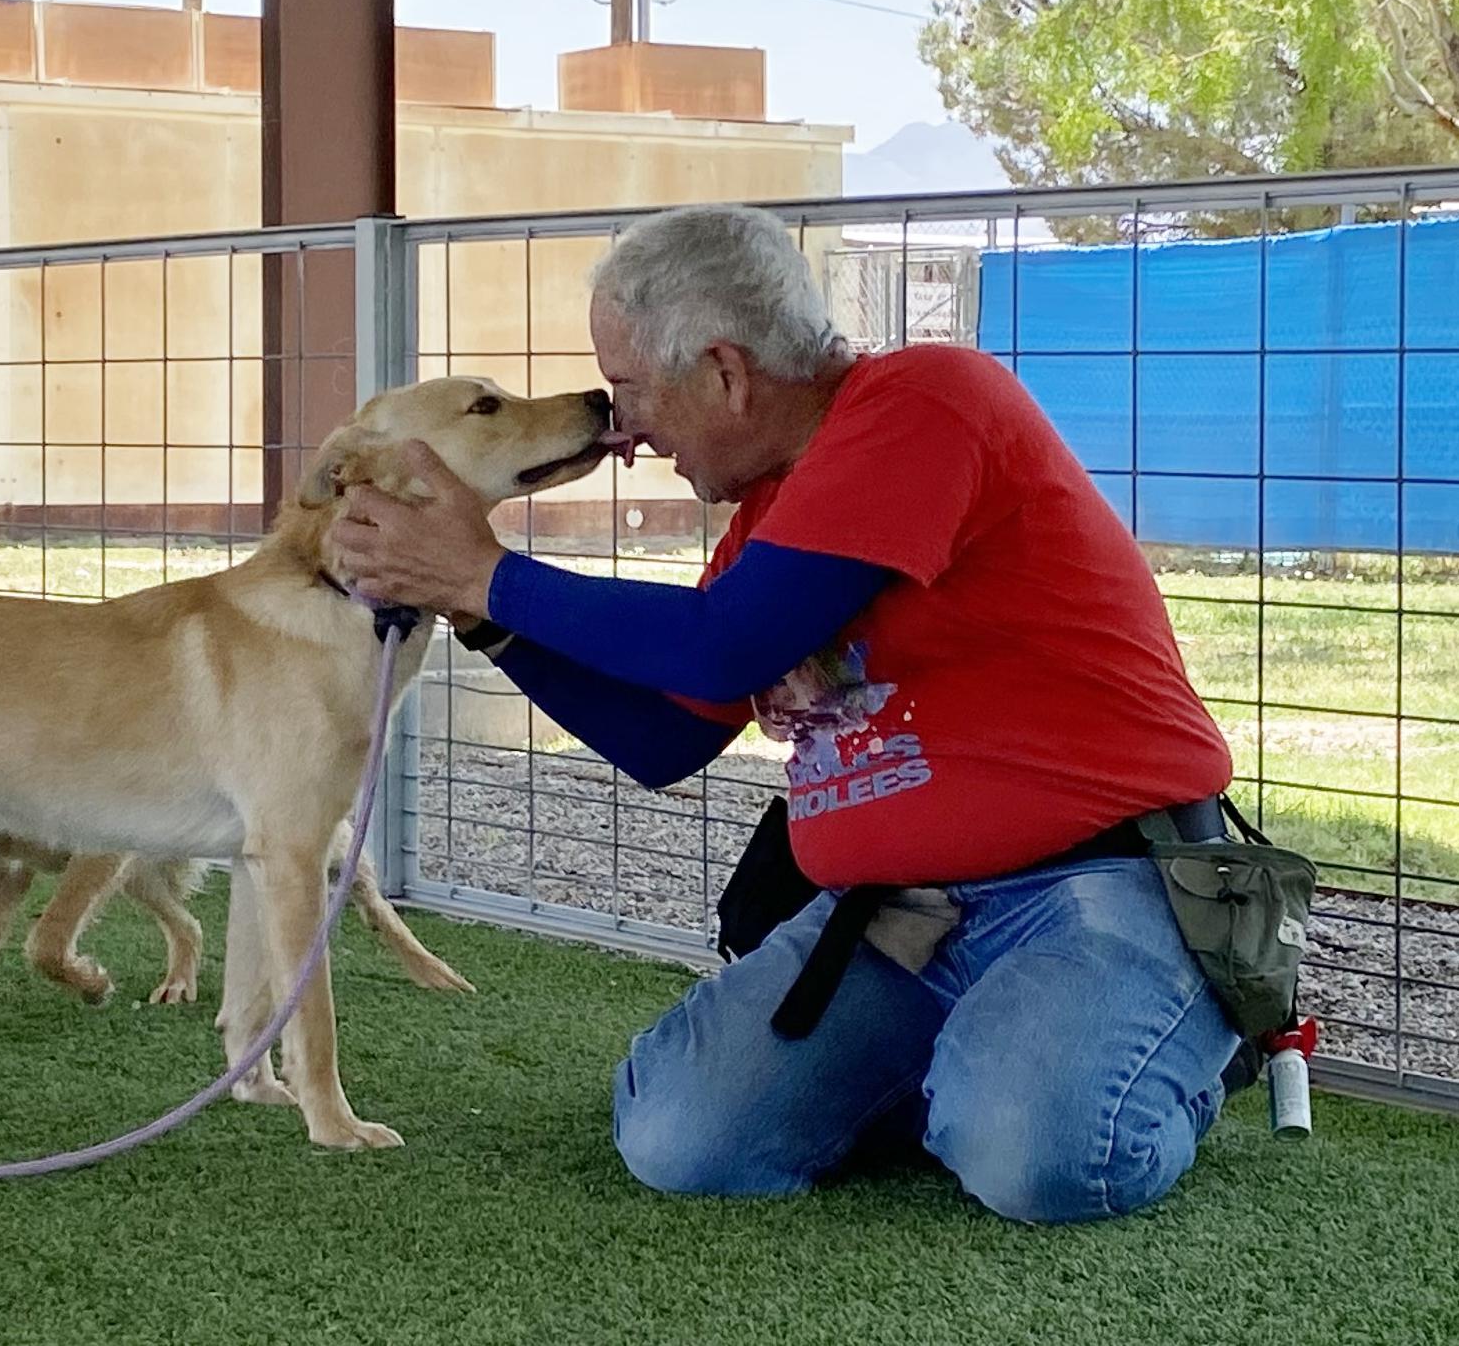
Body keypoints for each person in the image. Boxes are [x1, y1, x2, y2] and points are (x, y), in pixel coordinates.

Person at [325, 202, 1240, 1224]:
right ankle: (978, 1070)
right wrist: (483, 618)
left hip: (1096, 881)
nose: (625, 429)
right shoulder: (772, 510)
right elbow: (666, 737)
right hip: (898, 916)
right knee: (679, 1137)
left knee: (1040, 1159)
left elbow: (726, 645)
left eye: (632, 387)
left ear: (724, 371)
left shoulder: (927, 399)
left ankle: (1152, 1055)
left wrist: (484, 573)